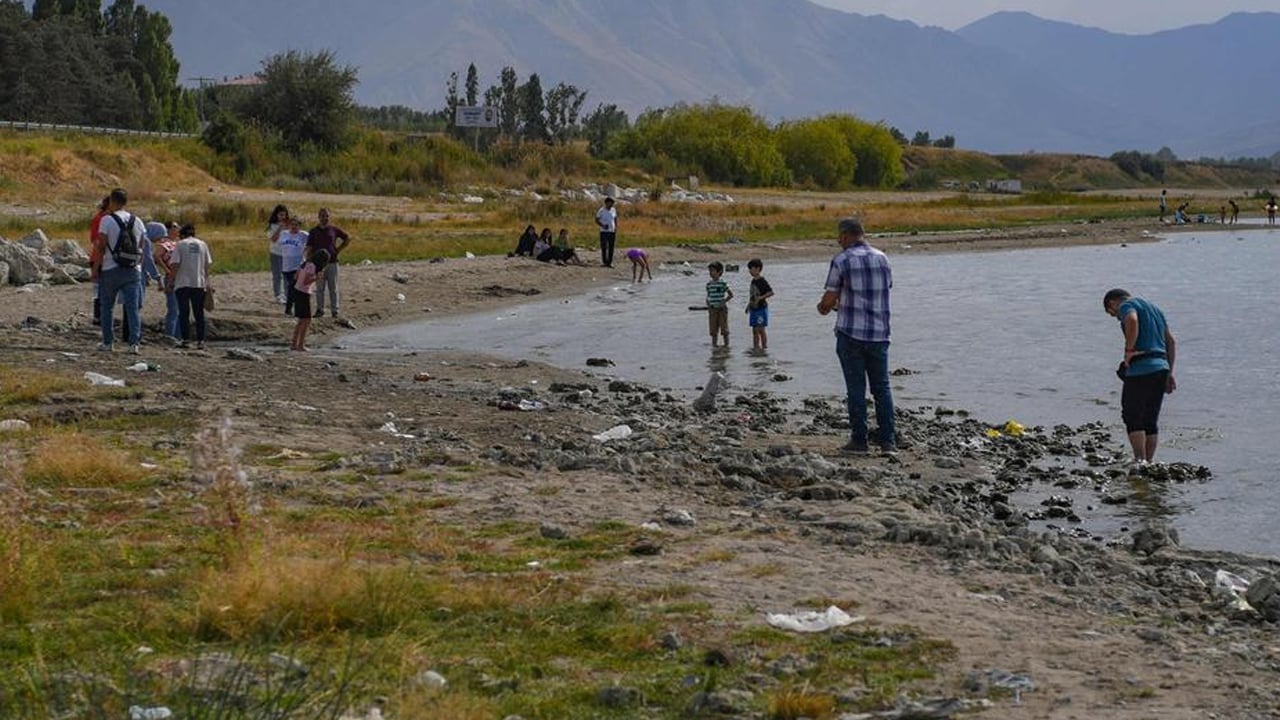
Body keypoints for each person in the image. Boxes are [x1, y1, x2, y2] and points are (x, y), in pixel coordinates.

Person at [817, 218, 895, 455]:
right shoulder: (883, 258)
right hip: (880, 333)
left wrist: (823, 308)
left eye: (839, 237)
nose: (839, 242)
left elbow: (829, 300)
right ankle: (888, 442)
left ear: (846, 235)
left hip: (851, 333)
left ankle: (859, 441)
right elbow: (883, 290)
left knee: (856, 388)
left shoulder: (842, 260)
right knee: (882, 388)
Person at [1102, 288, 1176, 469]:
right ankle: (1149, 462)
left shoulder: (1127, 305)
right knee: (1150, 418)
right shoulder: (1155, 310)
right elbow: (1171, 341)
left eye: (1112, 314)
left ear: (1112, 302)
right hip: (1161, 367)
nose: (1116, 317)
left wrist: (1129, 350)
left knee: (1132, 415)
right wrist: (1169, 372)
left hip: (1141, 368)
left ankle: (1139, 460)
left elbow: (1132, 319)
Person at [95, 188, 146, 354]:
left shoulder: (107, 220)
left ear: (112, 201)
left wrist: (96, 268)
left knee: (107, 307)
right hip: (132, 269)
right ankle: (134, 343)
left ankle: (108, 342)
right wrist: (139, 265)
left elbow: (101, 246)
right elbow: (141, 246)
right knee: (132, 308)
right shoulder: (137, 221)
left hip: (111, 267)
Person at [170, 223, 212, 350]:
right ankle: (201, 341)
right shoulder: (203, 244)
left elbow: (175, 264)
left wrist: (171, 280)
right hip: (198, 282)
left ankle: (186, 340)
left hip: (182, 283)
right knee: (199, 313)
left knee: (184, 312)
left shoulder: (180, 244)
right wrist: (207, 282)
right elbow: (207, 265)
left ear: (182, 234)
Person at [306, 208, 350, 317]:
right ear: (318, 217)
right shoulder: (313, 231)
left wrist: (338, 250)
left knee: (333, 288)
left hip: (332, 262)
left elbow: (347, 238)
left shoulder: (334, 229)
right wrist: (309, 261)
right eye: (322, 216)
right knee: (319, 288)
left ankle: (335, 310)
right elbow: (309, 248)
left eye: (326, 216)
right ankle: (320, 309)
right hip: (319, 265)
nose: (325, 218)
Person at [292, 249, 329, 352]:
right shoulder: (312, 267)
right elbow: (306, 281)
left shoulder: (306, 263)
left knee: (301, 320)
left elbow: (296, 276)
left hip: (297, 290)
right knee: (306, 320)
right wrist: (316, 278)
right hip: (303, 292)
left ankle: (294, 343)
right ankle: (300, 345)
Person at [152, 221, 181, 340]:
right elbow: (156, 256)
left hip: (181, 277)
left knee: (180, 309)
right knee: (173, 308)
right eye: (175, 227)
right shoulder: (164, 242)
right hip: (171, 277)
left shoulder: (177, 243)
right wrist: (167, 270)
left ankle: (179, 336)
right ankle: (170, 336)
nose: (178, 229)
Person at [277, 215, 309, 316]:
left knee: (293, 287)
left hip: (298, 266)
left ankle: (289, 309)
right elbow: (278, 244)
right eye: (292, 224)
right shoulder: (284, 234)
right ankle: (291, 308)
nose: (294, 227)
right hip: (286, 266)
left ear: (299, 226)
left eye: (296, 225)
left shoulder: (303, 235)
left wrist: (308, 255)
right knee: (291, 288)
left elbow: (312, 243)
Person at [746, 258, 774, 352]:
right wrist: (748, 305)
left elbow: (770, 292)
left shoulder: (762, 281)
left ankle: (764, 348)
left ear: (758, 269)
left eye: (751, 269)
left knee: (761, 330)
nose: (750, 271)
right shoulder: (753, 281)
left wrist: (760, 298)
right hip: (753, 309)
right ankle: (756, 347)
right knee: (754, 330)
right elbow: (752, 295)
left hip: (761, 309)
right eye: (749, 269)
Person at [705, 260, 732, 346]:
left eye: (713, 271)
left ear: (719, 272)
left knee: (724, 329)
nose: (711, 273)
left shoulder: (722, 283)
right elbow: (708, 295)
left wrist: (724, 301)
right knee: (713, 330)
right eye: (710, 271)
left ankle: (726, 346)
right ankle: (714, 346)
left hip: (721, 309)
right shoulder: (709, 284)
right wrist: (708, 302)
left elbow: (731, 295)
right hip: (712, 309)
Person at [267, 204, 290, 303]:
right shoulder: (272, 226)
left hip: (286, 253)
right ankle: (278, 295)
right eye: (280, 215)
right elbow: (273, 239)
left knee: (286, 275)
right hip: (275, 253)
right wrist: (280, 228)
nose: (282, 217)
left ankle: (287, 295)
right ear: (276, 215)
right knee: (277, 275)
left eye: (284, 215)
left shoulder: (289, 226)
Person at [595, 196, 617, 267]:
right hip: (604, 231)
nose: (612, 204)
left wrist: (616, 227)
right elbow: (596, 220)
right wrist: (603, 225)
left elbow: (615, 218)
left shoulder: (613, 210)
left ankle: (610, 262)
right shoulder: (601, 210)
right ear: (606, 203)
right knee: (604, 247)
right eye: (611, 203)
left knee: (611, 247)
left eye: (612, 203)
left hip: (612, 231)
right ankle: (604, 262)